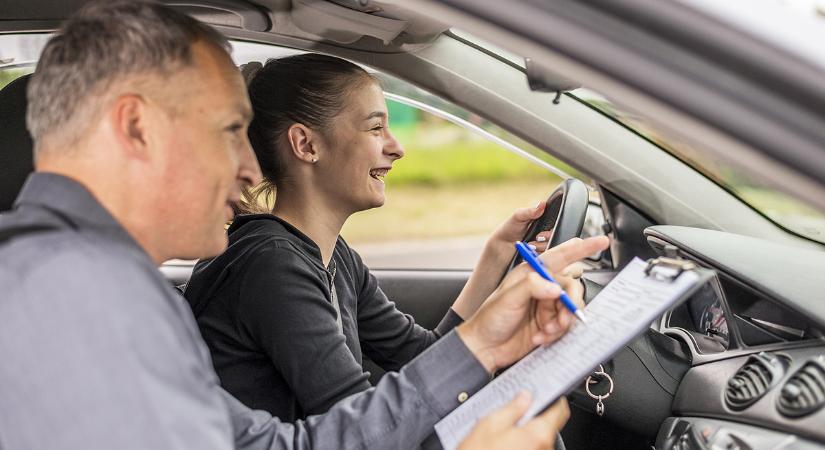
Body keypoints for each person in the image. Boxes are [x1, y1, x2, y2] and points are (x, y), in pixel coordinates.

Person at [0, 1, 609, 450]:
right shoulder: (58, 309)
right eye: (227, 134)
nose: (248, 171)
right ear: (137, 130)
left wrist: (483, 341)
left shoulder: (122, 296)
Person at [183, 53, 558, 422]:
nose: (397, 147)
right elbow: (365, 424)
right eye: (376, 128)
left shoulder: (335, 257)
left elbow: (423, 357)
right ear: (306, 145)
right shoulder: (272, 264)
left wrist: (495, 258)